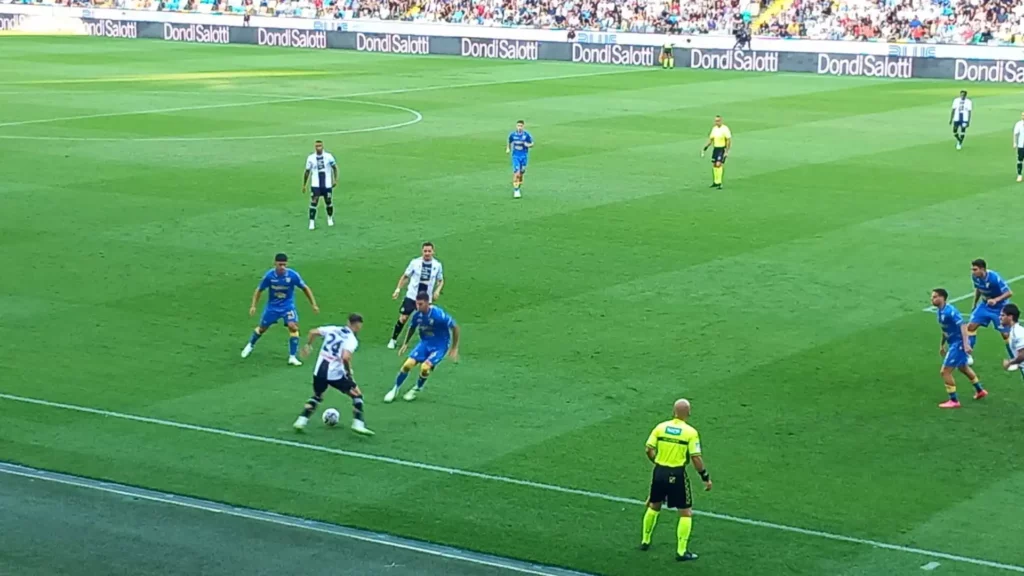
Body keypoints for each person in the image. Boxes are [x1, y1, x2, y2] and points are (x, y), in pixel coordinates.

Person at [640, 398, 711, 562]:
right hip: (676, 474)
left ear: (674, 411)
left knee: (654, 505)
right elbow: (696, 458)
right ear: (689, 413)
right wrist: (705, 477)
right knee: (685, 512)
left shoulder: (661, 427)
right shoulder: (690, 433)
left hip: (659, 471)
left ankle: (645, 540)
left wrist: (657, 461)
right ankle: (681, 551)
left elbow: (648, 449)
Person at [294, 314, 374, 435]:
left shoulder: (332, 329)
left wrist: (308, 345)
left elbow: (313, 332)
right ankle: (358, 424)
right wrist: (348, 372)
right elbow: (346, 357)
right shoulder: (351, 339)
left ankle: (301, 421)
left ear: (348, 322)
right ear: (358, 325)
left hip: (319, 371)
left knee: (317, 396)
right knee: (357, 394)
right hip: (335, 374)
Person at [242, 253, 319, 365]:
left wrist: (313, 304)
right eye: (280, 264)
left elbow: (305, 288)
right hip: (272, 307)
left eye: (284, 265)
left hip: (287, 307)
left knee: (293, 327)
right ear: (275, 264)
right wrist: (253, 306)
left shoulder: (292, 275)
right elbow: (259, 290)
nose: (282, 267)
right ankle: (250, 345)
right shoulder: (269, 276)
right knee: (262, 328)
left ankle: (292, 357)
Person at [385, 292, 460, 403]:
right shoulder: (417, 315)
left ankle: (417, 388)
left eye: (421, 304)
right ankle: (395, 388)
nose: (418, 307)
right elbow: (412, 327)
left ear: (427, 303)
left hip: (440, 345)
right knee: (407, 365)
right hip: (425, 343)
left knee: (425, 367)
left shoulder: (438, 315)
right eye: (417, 304)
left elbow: (455, 327)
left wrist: (454, 348)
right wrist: (405, 343)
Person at [932, 288, 986, 409]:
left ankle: (954, 401)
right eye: (932, 297)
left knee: (945, 371)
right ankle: (980, 391)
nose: (932, 299)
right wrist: (942, 344)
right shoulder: (940, 312)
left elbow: (962, 325)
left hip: (959, 342)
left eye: (935, 297)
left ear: (942, 298)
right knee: (963, 367)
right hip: (954, 342)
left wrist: (966, 344)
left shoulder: (950, 311)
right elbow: (945, 330)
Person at [388, 242, 444, 349]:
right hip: (412, 296)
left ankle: (429, 342)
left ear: (433, 252)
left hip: (426, 299)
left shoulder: (437, 265)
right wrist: (398, 289)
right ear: (422, 251)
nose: (427, 253)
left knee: (427, 320)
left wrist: (437, 291)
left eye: (429, 251)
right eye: (425, 251)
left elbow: (440, 280)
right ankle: (393, 339)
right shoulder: (415, 262)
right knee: (403, 318)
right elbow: (405, 276)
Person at [967, 259, 1015, 361]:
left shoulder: (994, 278)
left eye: (975, 269)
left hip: (1000, 307)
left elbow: (1009, 293)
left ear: (982, 269)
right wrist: (974, 304)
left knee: (1005, 334)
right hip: (985, 305)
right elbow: (978, 289)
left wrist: (995, 300)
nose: (973, 272)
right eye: (972, 269)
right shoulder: (975, 277)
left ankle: (1014, 357)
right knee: (971, 327)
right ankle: (967, 355)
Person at [302, 140, 338, 231]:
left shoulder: (329, 156)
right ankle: (312, 222)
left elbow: (334, 168)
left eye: (320, 146)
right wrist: (304, 184)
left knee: (328, 201)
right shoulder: (311, 158)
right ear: (315, 147)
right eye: (317, 146)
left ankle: (329, 218)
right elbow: (307, 172)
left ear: (323, 146)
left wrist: (335, 180)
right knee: (314, 202)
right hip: (315, 184)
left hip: (327, 184)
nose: (318, 148)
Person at [701, 116, 731, 190]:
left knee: (718, 164)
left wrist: (727, 151)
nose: (716, 122)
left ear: (721, 121)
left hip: (722, 148)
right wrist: (706, 147)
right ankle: (715, 182)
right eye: (715, 121)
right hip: (716, 148)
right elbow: (711, 139)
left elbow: (728, 140)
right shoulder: (714, 129)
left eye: (718, 121)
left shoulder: (725, 129)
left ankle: (720, 182)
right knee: (714, 165)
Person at [506, 120, 534, 199]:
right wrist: (508, 148)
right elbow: (509, 140)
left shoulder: (526, 135)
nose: (519, 127)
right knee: (517, 173)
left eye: (521, 126)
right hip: (516, 156)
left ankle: (518, 185)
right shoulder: (513, 134)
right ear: (516, 126)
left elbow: (532, 144)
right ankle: (516, 190)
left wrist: (528, 145)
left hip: (524, 156)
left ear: (523, 126)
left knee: (521, 173)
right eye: (518, 126)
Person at [999, 303, 1024, 375]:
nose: (1000, 317)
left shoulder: (1017, 332)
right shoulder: (1015, 330)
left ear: (1010, 317)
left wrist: (1009, 362)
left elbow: (1022, 355)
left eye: (1002, 315)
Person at [1012, 112, 1024, 182]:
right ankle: (1019, 175)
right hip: (1021, 146)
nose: (1023, 116)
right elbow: (1015, 134)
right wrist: (1014, 142)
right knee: (1020, 160)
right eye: (1022, 115)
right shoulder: (1019, 124)